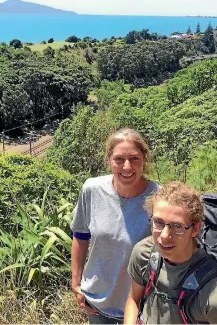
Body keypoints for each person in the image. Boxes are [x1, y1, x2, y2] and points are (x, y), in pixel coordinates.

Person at [71, 128, 160, 324]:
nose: (127, 167)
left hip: (140, 307)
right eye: (119, 159)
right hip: (96, 303)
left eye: (134, 158)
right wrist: (76, 283)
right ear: (109, 160)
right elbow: (81, 234)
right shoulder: (92, 190)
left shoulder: (158, 198)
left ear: (144, 159)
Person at [124, 181, 217, 324]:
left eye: (177, 226)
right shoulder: (144, 253)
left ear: (195, 229)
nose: (165, 235)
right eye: (158, 222)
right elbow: (134, 299)